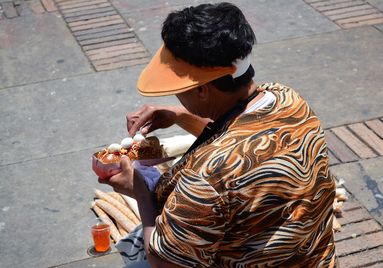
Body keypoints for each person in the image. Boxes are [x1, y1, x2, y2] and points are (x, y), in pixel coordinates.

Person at [99, 2, 338, 267]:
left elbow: (164, 262)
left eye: (177, 87)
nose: (174, 94)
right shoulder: (288, 99)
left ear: (202, 90)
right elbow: (238, 142)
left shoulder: (206, 179)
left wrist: (143, 192)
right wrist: (180, 115)